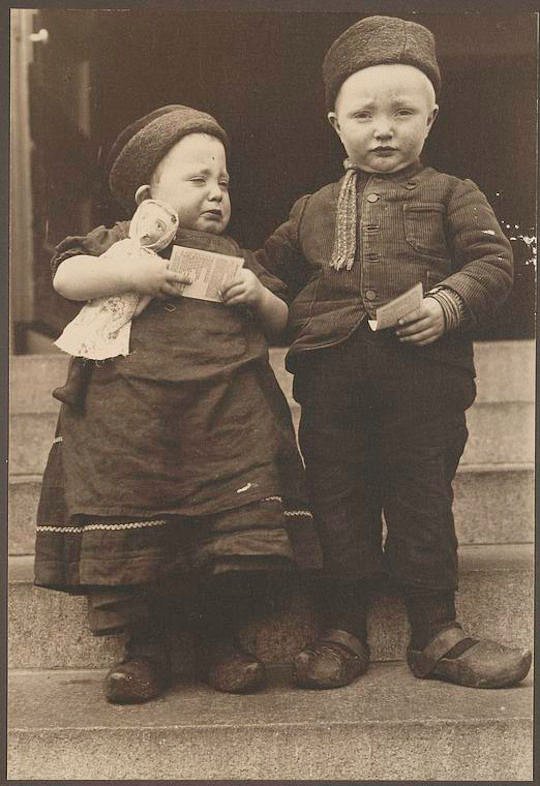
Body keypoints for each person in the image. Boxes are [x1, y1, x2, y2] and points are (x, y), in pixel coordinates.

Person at [256, 15, 531, 690]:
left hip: (423, 385)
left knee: (420, 502)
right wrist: (225, 289)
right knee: (335, 503)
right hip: (330, 385)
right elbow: (266, 274)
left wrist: (447, 304)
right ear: (335, 122)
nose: (384, 127)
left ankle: (437, 633)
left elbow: (495, 263)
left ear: (431, 119)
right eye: (364, 113)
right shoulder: (309, 209)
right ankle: (342, 631)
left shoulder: (452, 194)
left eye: (403, 112)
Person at [34, 104, 321, 704]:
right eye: (199, 180)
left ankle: (220, 639)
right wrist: (127, 274)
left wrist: (258, 296)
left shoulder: (236, 258)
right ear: (147, 194)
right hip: (133, 421)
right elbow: (67, 279)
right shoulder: (115, 245)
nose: (216, 194)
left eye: (224, 183)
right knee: (138, 533)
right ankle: (146, 649)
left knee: (227, 536)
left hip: (222, 420)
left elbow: (282, 321)